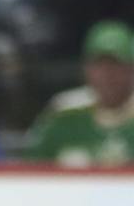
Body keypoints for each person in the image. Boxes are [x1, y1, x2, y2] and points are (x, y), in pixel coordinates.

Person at [25, 20, 134, 165]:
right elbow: (31, 170)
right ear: (86, 70)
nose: (107, 75)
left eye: (115, 65)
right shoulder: (65, 115)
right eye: (99, 66)